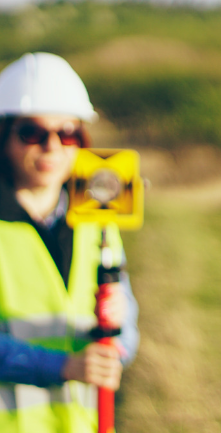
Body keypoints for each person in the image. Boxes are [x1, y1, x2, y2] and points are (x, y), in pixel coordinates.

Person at [0, 52, 139, 432]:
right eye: (32, 132)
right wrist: (64, 366)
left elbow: (124, 315)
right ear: (4, 136)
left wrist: (117, 350)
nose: (52, 146)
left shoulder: (97, 222)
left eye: (67, 132)